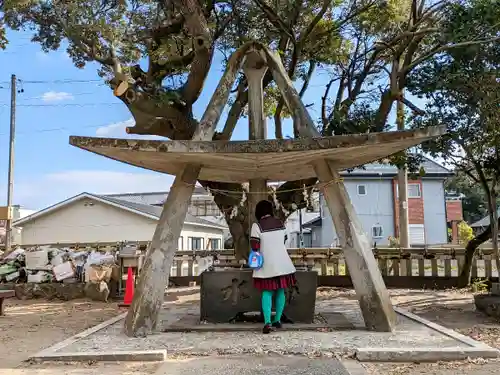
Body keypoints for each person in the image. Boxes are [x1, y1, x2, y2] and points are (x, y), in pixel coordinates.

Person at [250, 200, 296, 334]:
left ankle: (267, 322)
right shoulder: (281, 223)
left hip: (267, 265)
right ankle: (277, 320)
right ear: (271, 210)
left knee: (267, 292)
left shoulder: (257, 226)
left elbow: (255, 247)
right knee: (281, 291)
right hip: (283, 262)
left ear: (258, 212)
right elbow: (284, 240)